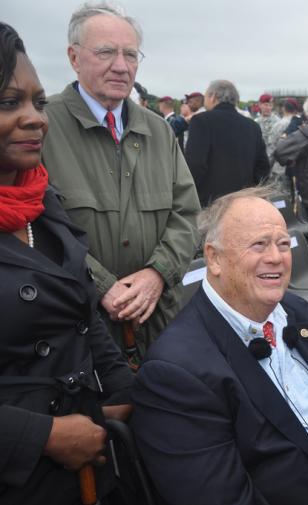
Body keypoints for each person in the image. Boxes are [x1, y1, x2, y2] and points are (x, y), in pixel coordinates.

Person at [131, 188, 308, 505]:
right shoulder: (175, 373)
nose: (276, 258)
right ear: (214, 258)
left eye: (283, 244)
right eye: (259, 245)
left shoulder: (295, 310)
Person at [0, 22, 134, 504]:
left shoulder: (40, 198)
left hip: (89, 457)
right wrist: (41, 436)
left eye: (38, 102)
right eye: (9, 103)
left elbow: (78, 312)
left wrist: (121, 388)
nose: (36, 118)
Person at [40, 2, 201, 357]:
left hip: (157, 327)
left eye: (130, 54)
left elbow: (186, 214)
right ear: (73, 57)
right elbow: (36, 227)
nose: (121, 66)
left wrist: (157, 273)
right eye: (105, 52)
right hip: (75, 332)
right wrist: (101, 285)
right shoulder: (41, 128)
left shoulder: (158, 131)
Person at [185, 79, 270, 206]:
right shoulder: (252, 126)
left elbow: (195, 164)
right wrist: (249, 192)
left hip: (210, 204)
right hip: (243, 203)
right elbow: (263, 167)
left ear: (213, 96)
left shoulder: (201, 121)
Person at [255, 93, 280, 159]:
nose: (268, 108)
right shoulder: (255, 122)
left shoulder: (278, 122)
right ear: (260, 105)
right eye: (266, 105)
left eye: (270, 105)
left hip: (273, 159)